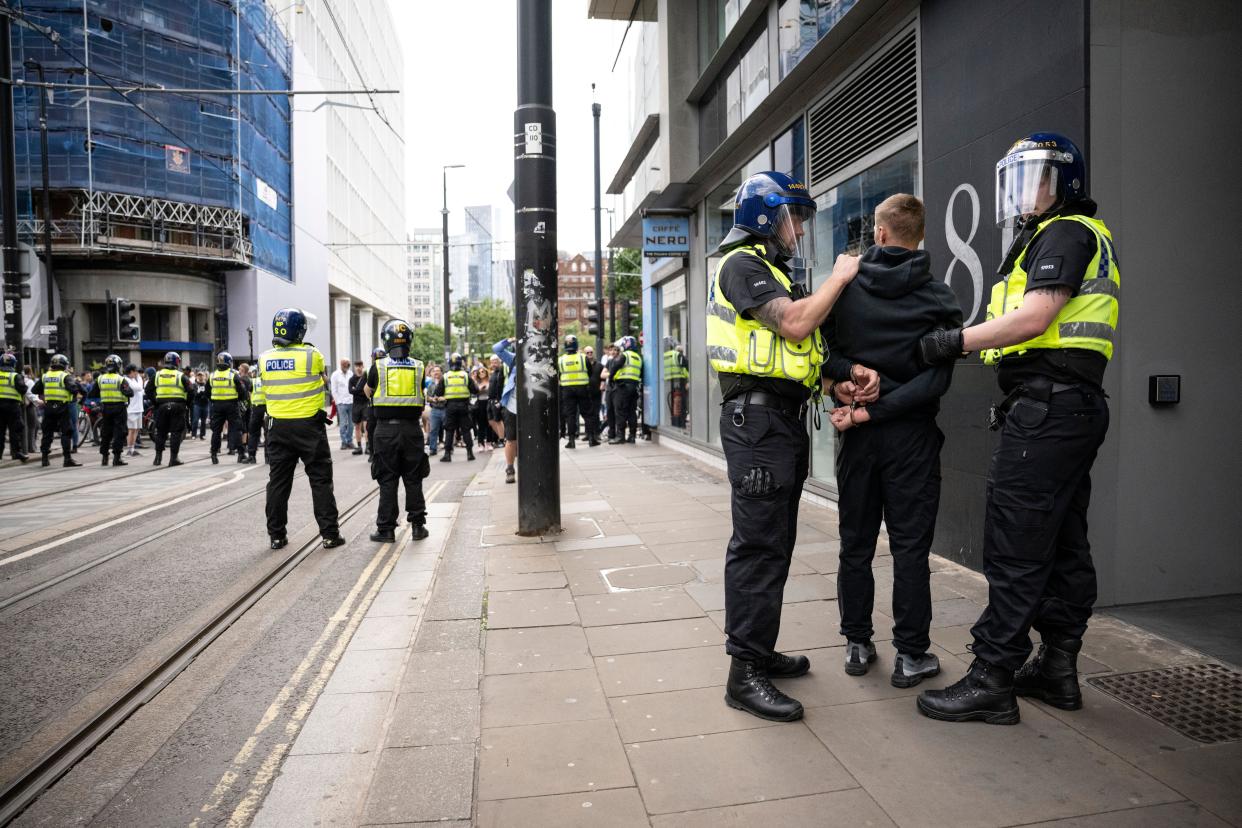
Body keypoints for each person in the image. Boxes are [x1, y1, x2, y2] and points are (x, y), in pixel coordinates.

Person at [916, 133, 1119, 725]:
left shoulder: (1066, 232)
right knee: (1061, 542)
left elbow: (1034, 317)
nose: (1023, 191)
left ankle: (992, 677)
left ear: (1064, 183)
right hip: (1068, 406)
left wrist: (951, 342)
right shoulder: (1059, 236)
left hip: (1049, 409)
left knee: (1016, 544)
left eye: (1034, 177)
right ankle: (1057, 668)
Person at [707, 170, 860, 721]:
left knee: (776, 543)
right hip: (757, 426)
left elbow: (796, 357)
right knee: (758, 547)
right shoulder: (742, 266)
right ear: (765, 218)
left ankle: (759, 651)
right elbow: (796, 326)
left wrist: (836, 381)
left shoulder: (772, 272)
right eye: (792, 219)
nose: (798, 231)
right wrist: (840, 278)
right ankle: (743, 673)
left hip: (781, 422)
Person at [820, 193, 963, 687]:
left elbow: (826, 353)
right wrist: (880, 410)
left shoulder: (846, 289)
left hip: (857, 439)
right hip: (912, 439)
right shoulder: (939, 297)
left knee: (855, 544)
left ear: (879, 234)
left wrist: (851, 380)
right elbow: (936, 381)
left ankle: (857, 644)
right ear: (919, 237)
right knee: (910, 549)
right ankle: (911, 656)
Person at [259, 308, 343, 550]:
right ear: (300, 330)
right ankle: (329, 534)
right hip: (308, 426)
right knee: (320, 481)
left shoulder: (264, 358)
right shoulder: (312, 355)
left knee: (278, 483)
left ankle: (276, 536)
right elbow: (323, 380)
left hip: (277, 427)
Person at [365, 319, 430, 543]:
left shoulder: (378, 366)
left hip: (385, 431)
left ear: (385, 340)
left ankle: (386, 530)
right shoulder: (420, 366)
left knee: (387, 480)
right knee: (414, 478)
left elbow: (367, 392)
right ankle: (418, 527)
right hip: (412, 430)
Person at [32, 353, 82, 467]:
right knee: (66, 432)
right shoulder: (64, 376)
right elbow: (74, 389)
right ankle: (67, 459)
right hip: (62, 407)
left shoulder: (45, 376)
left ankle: (44, 459)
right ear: (64, 365)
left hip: (49, 407)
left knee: (47, 433)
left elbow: (35, 390)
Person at [147, 352, 191, 466]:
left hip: (161, 406)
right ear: (177, 362)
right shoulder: (180, 375)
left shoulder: (157, 374)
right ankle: (173, 458)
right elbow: (191, 390)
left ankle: (157, 458)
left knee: (161, 432)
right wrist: (187, 403)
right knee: (176, 433)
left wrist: (155, 401)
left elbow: (147, 389)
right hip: (177, 406)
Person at [435, 353, 477, 462]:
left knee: (449, 430)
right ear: (460, 363)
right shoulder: (465, 375)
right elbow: (475, 390)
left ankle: (447, 454)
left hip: (450, 406)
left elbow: (438, 392)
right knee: (466, 430)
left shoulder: (446, 376)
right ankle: (470, 453)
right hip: (464, 406)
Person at [558, 334, 597, 448]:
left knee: (570, 415)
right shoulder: (582, 357)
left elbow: (559, 375)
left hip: (567, 390)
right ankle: (591, 439)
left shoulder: (561, 360)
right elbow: (590, 372)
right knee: (588, 414)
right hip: (582, 388)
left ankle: (571, 441)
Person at [95, 354, 135, 466]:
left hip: (105, 408)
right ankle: (117, 458)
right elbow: (130, 393)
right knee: (119, 432)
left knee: (106, 433)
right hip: (119, 409)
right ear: (118, 366)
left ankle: (104, 457)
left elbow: (93, 393)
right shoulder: (120, 379)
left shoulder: (100, 378)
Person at [209, 352, 248, 464]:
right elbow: (242, 391)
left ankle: (214, 454)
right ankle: (241, 454)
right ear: (229, 362)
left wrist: (214, 400)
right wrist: (239, 399)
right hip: (231, 405)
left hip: (217, 405)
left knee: (216, 431)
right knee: (236, 429)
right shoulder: (233, 375)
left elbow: (208, 391)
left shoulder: (212, 375)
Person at [492, 338, 518, 483]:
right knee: (511, 439)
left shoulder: (539, 358)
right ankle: (510, 468)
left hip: (532, 407)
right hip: (512, 406)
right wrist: (510, 340)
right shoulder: (513, 359)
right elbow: (497, 348)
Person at [607, 336, 642, 444]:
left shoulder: (625, 355)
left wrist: (611, 378)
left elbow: (616, 366)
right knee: (632, 412)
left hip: (622, 387)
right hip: (634, 386)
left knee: (620, 412)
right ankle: (632, 436)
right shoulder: (639, 357)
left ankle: (620, 436)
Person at [0, 351, 29, 462]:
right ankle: (16, 453)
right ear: (13, 364)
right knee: (15, 430)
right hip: (12, 407)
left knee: (0, 431)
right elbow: (23, 389)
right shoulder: (15, 376)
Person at [663, 338, 690, 429]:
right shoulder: (676, 355)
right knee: (679, 406)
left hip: (666, 384)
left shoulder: (661, 357)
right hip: (678, 383)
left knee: (670, 406)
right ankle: (680, 425)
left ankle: (672, 425)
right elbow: (689, 366)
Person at [330, 357, 355, 450]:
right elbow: (334, 390)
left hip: (351, 402)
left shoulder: (351, 373)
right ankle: (344, 442)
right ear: (341, 364)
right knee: (343, 423)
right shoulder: (335, 375)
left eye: (348, 364)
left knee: (351, 424)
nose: (347, 366)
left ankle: (350, 441)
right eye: (346, 364)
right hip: (341, 403)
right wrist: (338, 402)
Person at [245, 367, 267, 464]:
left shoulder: (253, 381)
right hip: (268, 409)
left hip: (257, 409)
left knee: (253, 433)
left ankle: (252, 456)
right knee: (269, 433)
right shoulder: (269, 380)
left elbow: (249, 393)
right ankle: (269, 457)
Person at [425, 365, 446, 456]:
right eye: (434, 371)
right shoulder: (430, 385)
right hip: (435, 409)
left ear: (441, 372)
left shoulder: (446, 383)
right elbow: (427, 398)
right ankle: (433, 449)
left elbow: (450, 395)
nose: (436, 372)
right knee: (433, 430)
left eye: (438, 371)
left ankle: (449, 448)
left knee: (448, 428)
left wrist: (443, 398)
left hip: (445, 408)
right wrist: (432, 399)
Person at [124, 363, 144, 457]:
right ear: (131, 371)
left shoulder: (133, 379)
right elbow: (139, 388)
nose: (137, 373)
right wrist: (139, 378)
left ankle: (132, 449)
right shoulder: (127, 380)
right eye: (136, 371)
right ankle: (129, 449)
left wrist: (138, 378)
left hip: (138, 408)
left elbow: (141, 391)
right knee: (131, 430)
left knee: (136, 430)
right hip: (131, 409)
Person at [190, 371, 210, 439]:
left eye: (201, 375)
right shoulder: (195, 384)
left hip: (205, 404)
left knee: (203, 421)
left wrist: (202, 394)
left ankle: (202, 435)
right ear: (197, 376)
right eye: (199, 375)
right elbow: (195, 394)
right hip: (197, 404)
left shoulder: (207, 384)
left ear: (204, 376)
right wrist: (201, 394)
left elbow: (208, 394)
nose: (200, 377)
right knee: (195, 420)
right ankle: (193, 434)